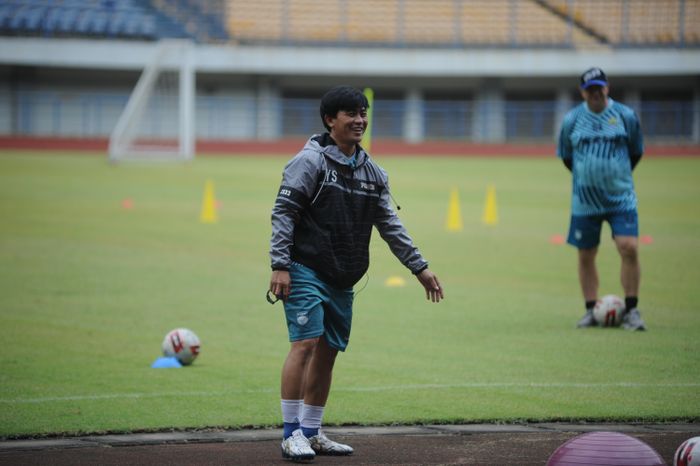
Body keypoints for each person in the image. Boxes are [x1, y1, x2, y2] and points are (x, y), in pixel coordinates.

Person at [269, 85, 444, 461]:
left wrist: (420, 267)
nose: (360, 120)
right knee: (305, 344)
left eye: (363, 113)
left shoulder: (373, 172)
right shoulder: (308, 162)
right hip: (304, 269)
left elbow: (390, 225)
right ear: (330, 120)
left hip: (343, 277)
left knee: (329, 352)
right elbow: (284, 213)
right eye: (351, 113)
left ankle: (312, 432)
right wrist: (280, 265)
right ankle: (290, 433)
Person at [557, 67, 646, 331]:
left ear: (607, 88)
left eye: (599, 87)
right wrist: (589, 176)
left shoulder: (625, 116)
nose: (595, 92)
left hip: (621, 198)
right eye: (590, 88)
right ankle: (590, 308)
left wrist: (613, 175)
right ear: (582, 91)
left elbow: (636, 152)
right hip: (585, 200)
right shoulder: (572, 120)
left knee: (629, 246)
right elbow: (566, 156)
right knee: (586, 254)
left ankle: (631, 310)